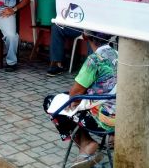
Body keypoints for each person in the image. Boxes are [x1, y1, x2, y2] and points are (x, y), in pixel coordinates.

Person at [44, 30, 118, 167]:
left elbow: (75, 94)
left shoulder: (94, 60)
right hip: (120, 113)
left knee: (50, 102)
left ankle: (86, 144)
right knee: (68, 98)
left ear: (85, 36)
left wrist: (73, 101)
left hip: (104, 119)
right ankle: (111, 138)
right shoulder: (116, 54)